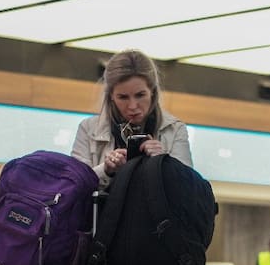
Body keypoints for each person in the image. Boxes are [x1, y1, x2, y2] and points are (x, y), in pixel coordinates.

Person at [71, 49, 192, 187]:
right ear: (111, 96)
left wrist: (163, 162)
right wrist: (106, 170)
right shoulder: (88, 128)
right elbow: (74, 186)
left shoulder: (175, 129)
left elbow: (188, 187)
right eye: (123, 97)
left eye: (140, 95)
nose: (133, 106)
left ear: (152, 91)